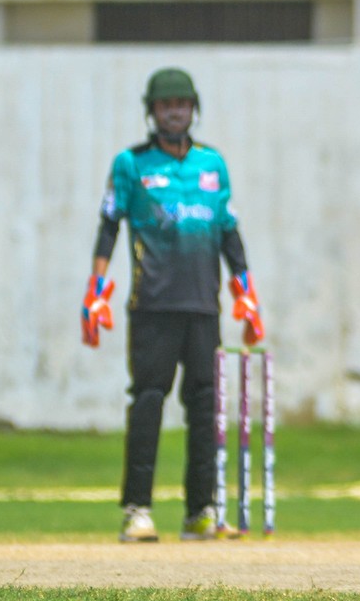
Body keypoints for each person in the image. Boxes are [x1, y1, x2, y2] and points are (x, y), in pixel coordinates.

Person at [83, 67, 265, 544]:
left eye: (181, 104)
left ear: (193, 108)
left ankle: (200, 511)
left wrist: (246, 293)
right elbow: (109, 225)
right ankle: (137, 510)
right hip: (153, 306)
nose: (174, 112)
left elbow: (229, 233)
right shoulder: (131, 164)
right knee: (148, 400)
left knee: (205, 407)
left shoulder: (212, 164)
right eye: (165, 105)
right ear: (152, 111)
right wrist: (96, 289)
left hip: (203, 306)